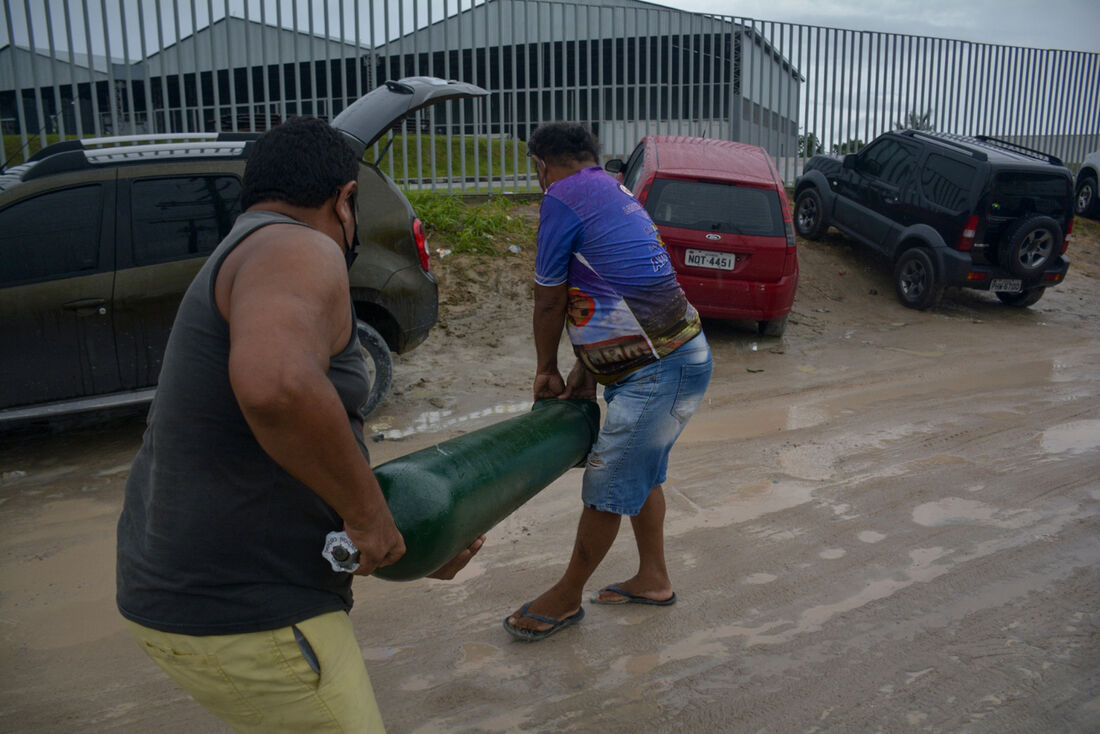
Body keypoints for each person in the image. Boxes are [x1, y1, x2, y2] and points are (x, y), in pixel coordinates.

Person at [116, 116, 482, 733]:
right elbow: (277, 385)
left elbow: (291, 442)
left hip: (193, 590)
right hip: (247, 609)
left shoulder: (248, 246)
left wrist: (404, 537)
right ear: (344, 200)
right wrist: (368, 516)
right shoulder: (296, 245)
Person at [503, 122, 712, 641]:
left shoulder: (561, 196)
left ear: (540, 165)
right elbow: (615, 289)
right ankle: (654, 578)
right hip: (677, 357)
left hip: (658, 368)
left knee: (608, 483)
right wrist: (588, 369)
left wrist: (546, 369)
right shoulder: (613, 189)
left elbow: (551, 297)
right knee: (643, 475)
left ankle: (566, 597)